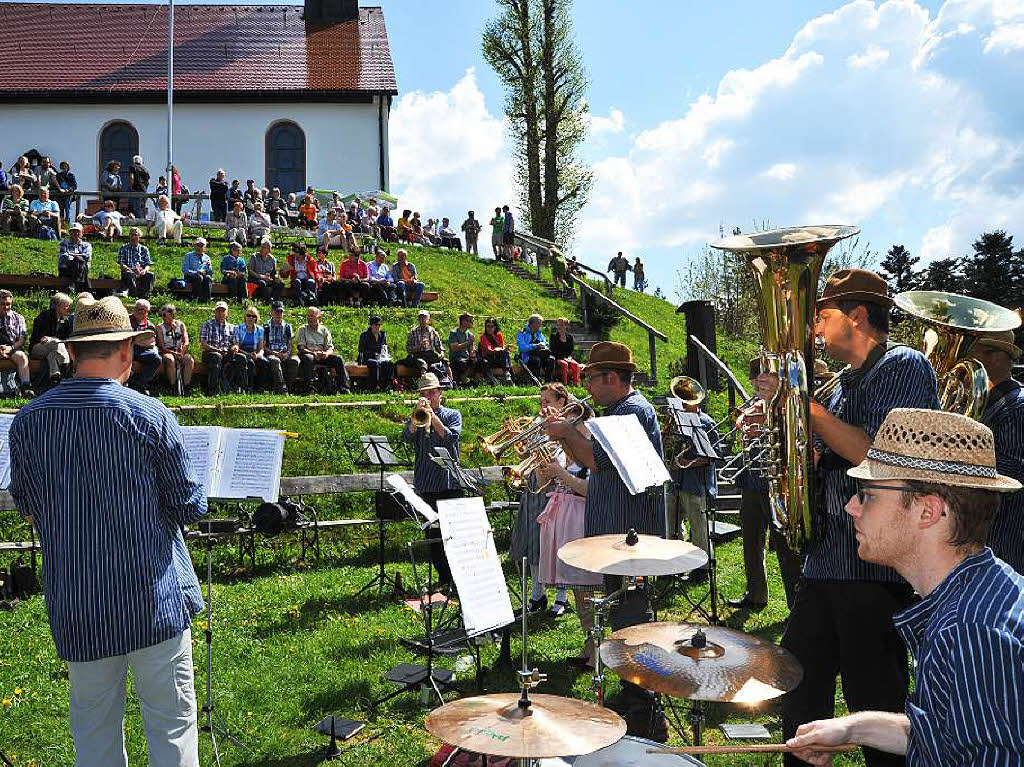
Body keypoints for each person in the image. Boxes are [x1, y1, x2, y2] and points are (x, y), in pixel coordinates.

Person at [750, 269, 940, 767]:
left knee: (875, 700)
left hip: (872, 571)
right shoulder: (838, 385)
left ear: (857, 317)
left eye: (823, 314)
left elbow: (879, 454)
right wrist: (786, 434)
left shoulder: (904, 366)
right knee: (798, 688)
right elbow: (825, 458)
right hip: (824, 560)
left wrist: (803, 408)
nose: (813, 326)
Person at [10, 295, 206, 767]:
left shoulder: (28, 420)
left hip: (79, 602)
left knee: (94, 732)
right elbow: (187, 505)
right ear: (125, 352)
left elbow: (30, 508)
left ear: (74, 353)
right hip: (152, 599)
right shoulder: (149, 415)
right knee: (171, 724)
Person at [787, 408, 1024, 767]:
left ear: (928, 512)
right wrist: (855, 728)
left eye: (867, 493)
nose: (852, 506)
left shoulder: (970, 630)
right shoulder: (978, 589)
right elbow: (947, 735)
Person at [544, 342, 668, 738]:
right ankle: (632, 695)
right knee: (621, 617)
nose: (587, 387)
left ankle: (646, 710)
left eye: (592, 378)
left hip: (629, 536)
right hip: (617, 535)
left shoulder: (630, 412)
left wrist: (564, 431)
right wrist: (564, 435)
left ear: (612, 378)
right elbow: (594, 462)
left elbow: (599, 462)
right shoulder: (616, 412)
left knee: (632, 618)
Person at [728, 359, 802, 610]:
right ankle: (755, 593)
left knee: (785, 546)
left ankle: (796, 605)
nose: (757, 381)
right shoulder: (753, 408)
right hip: (752, 482)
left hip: (778, 484)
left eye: (764, 376)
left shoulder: (787, 406)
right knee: (750, 540)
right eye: (755, 377)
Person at [535, 386, 601, 638]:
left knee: (586, 586)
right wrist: (546, 472)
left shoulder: (591, 450)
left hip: (581, 518)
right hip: (564, 516)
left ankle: (595, 642)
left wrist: (561, 473)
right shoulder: (565, 450)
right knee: (577, 588)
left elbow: (589, 490)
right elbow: (551, 484)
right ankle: (589, 640)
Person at [511, 383, 574, 615]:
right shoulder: (538, 424)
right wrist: (522, 441)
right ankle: (537, 596)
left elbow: (568, 459)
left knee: (557, 545)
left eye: (548, 401)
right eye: (542, 402)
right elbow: (524, 454)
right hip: (534, 488)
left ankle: (562, 597)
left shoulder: (569, 427)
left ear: (562, 403)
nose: (543, 406)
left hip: (556, 490)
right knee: (535, 544)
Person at [968, 329, 1024, 574]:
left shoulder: (1018, 404)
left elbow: (1013, 470)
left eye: (975, 352)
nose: (968, 358)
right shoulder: (979, 397)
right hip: (977, 523)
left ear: (997, 357)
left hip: (1002, 530)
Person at [402, 372, 463, 586]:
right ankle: (444, 578)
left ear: (440, 393)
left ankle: (458, 579)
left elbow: (450, 438)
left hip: (448, 483)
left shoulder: (453, 414)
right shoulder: (417, 415)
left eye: (432, 392)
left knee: (453, 536)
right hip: (426, 482)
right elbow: (406, 438)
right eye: (424, 393)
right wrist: (415, 417)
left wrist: (432, 416)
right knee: (433, 536)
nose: (428, 397)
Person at [666, 378, 718, 583]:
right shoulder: (677, 421)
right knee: (671, 525)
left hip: (697, 483)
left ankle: (701, 568)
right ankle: (675, 564)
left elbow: (712, 456)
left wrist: (685, 462)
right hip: (675, 481)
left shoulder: (706, 422)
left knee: (699, 528)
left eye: (687, 399)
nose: (683, 403)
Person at [296, 307, 351, 394]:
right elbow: (301, 348)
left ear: (319, 317)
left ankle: (344, 388)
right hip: (308, 353)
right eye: (308, 316)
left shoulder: (324, 330)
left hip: (322, 355)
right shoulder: (302, 329)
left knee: (338, 359)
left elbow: (330, 347)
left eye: (312, 316)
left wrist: (326, 353)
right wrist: (313, 353)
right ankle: (310, 388)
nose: (309, 318)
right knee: (308, 358)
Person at [29, 292, 72, 389]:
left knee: (53, 354)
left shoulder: (64, 321)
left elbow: (66, 339)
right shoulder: (44, 316)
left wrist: (53, 339)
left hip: (54, 349)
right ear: (58, 306)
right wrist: (51, 339)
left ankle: (54, 376)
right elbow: (41, 338)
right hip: (37, 348)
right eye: (66, 306)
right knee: (57, 343)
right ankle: (66, 371)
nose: (68, 309)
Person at [154, 304, 194, 395]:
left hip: (180, 350)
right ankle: (173, 387)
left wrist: (182, 351)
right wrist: (173, 353)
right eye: (162, 316)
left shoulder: (181, 325)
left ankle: (186, 387)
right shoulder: (160, 328)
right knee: (170, 359)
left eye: (166, 316)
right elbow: (162, 347)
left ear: (172, 315)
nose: (164, 318)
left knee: (189, 360)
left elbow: (186, 341)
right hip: (167, 351)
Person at [228, 307, 268, 392]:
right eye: (248, 315)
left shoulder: (260, 329)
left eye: (253, 316)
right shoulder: (238, 328)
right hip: (242, 352)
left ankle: (261, 387)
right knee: (250, 363)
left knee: (265, 362)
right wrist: (248, 355)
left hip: (254, 353)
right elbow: (237, 346)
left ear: (256, 318)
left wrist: (258, 355)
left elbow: (261, 348)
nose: (250, 318)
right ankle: (249, 387)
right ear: (245, 317)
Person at [127, 300, 162, 395]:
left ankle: (138, 384)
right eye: (138, 309)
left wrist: (139, 341)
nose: (140, 312)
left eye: (143, 310)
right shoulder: (126, 321)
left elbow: (152, 343)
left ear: (147, 312)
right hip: (127, 348)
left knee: (156, 359)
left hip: (144, 350)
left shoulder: (150, 325)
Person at [263, 302, 299, 394]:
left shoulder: (287, 327)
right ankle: (281, 389)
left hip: (284, 353)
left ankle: (288, 387)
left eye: (281, 312)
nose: (279, 314)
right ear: (272, 312)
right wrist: (275, 353)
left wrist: (287, 353)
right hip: (271, 353)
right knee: (275, 361)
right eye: (276, 312)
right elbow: (263, 347)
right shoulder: (265, 327)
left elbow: (290, 344)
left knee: (295, 361)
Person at [199, 302, 234, 395]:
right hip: (209, 353)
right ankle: (212, 390)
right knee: (217, 357)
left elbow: (235, 343)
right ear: (214, 312)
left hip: (226, 353)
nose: (220, 313)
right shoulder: (207, 325)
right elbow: (204, 344)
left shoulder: (232, 327)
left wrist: (234, 348)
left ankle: (231, 388)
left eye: (223, 311)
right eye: (218, 310)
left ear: (227, 313)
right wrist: (217, 350)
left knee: (238, 358)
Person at [404, 309, 447, 380]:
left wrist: (441, 353)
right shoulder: (413, 332)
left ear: (428, 319)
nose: (422, 319)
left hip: (430, 353)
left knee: (445, 362)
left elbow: (439, 345)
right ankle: (423, 382)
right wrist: (418, 346)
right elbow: (408, 349)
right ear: (418, 319)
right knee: (423, 364)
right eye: (420, 317)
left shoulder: (432, 331)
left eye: (424, 317)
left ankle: (451, 382)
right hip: (418, 354)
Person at [357, 314, 394, 391]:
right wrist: (374, 354)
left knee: (389, 363)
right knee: (374, 363)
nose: (377, 327)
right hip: (367, 358)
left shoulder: (382, 335)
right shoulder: (364, 335)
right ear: (371, 326)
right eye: (375, 325)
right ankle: (374, 386)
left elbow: (384, 347)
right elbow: (361, 350)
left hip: (380, 358)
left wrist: (385, 355)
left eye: (379, 325)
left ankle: (388, 385)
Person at [117, 227, 155, 298]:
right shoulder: (123, 248)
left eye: (135, 235)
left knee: (151, 275)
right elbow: (121, 264)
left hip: (141, 271)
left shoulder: (144, 249)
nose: (133, 237)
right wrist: (131, 270)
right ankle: (134, 296)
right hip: (128, 271)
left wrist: (144, 270)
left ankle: (145, 296)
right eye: (131, 235)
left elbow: (148, 264)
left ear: (139, 236)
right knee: (129, 274)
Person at [517, 313, 554, 382]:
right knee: (536, 360)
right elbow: (522, 348)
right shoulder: (522, 333)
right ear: (533, 324)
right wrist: (535, 346)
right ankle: (535, 380)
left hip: (541, 354)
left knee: (551, 359)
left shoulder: (539, 333)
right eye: (539, 323)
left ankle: (548, 381)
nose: (541, 325)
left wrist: (544, 345)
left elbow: (545, 343)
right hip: (526, 356)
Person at [478, 317, 513, 385]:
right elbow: (489, 350)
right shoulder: (483, 337)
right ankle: (491, 379)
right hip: (488, 358)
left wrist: (504, 349)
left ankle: (507, 374)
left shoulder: (499, 335)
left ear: (495, 327)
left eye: (491, 326)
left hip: (497, 357)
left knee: (506, 353)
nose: (489, 328)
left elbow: (502, 347)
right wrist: (497, 350)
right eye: (487, 326)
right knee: (483, 361)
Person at [58, 223, 92, 291]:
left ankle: (73, 284)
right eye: (73, 231)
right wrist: (79, 256)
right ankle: (82, 285)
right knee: (79, 260)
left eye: (78, 231)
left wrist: (72, 255)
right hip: (66, 268)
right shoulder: (64, 243)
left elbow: (87, 256)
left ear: (82, 233)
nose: (75, 233)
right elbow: (64, 256)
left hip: (82, 268)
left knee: (79, 261)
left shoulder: (86, 245)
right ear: (69, 233)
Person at [283, 242, 320, 307]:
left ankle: (312, 299)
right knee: (297, 281)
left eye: (296, 253)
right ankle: (298, 300)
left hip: (307, 278)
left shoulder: (310, 260)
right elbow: (283, 274)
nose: (294, 254)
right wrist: (285, 270)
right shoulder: (291, 259)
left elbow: (315, 271)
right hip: (296, 279)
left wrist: (318, 277)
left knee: (311, 282)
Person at [550, 317, 581, 386]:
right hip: (557, 357)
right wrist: (561, 358)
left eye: (562, 325)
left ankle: (576, 384)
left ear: (566, 326)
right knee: (564, 364)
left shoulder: (570, 337)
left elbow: (571, 350)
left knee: (576, 364)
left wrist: (569, 357)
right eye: (559, 325)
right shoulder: (553, 336)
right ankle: (565, 383)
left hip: (568, 357)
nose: (560, 327)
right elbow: (553, 349)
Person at [447, 313, 476, 385]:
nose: (472, 323)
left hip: (466, 357)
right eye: (470, 321)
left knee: (478, 361)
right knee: (462, 363)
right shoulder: (454, 333)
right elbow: (454, 348)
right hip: (456, 357)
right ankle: (462, 381)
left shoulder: (470, 334)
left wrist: (472, 352)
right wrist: (468, 342)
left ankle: (472, 381)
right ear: (463, 321)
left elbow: (471, 347)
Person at [182, 238, 214, 303]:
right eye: (197, 245)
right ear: (194, 246)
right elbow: (185, 269)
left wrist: (208, 269)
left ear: (204, 247)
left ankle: (206, 299)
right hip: (190, 276)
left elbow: (211, 272)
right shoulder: (188, 255)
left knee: (208, 278)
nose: (199, 247)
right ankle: (196, 298)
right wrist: (196, 272)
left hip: (203, 275)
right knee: (198, 277)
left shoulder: (207, 257)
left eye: (201, 245)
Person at [54, 161, 78, 225]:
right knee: (60, 209)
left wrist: (69, 189)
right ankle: (61, 225)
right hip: (60, 195)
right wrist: (60, 190)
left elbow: (75, 186)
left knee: (67, 209)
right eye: (62, 166)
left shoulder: (71, 175)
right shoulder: (58, 175)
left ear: (68, 167)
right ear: (61, 167)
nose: (64, 167)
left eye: (65, 166)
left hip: (68, 195)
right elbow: (55, 185)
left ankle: (67, 225)